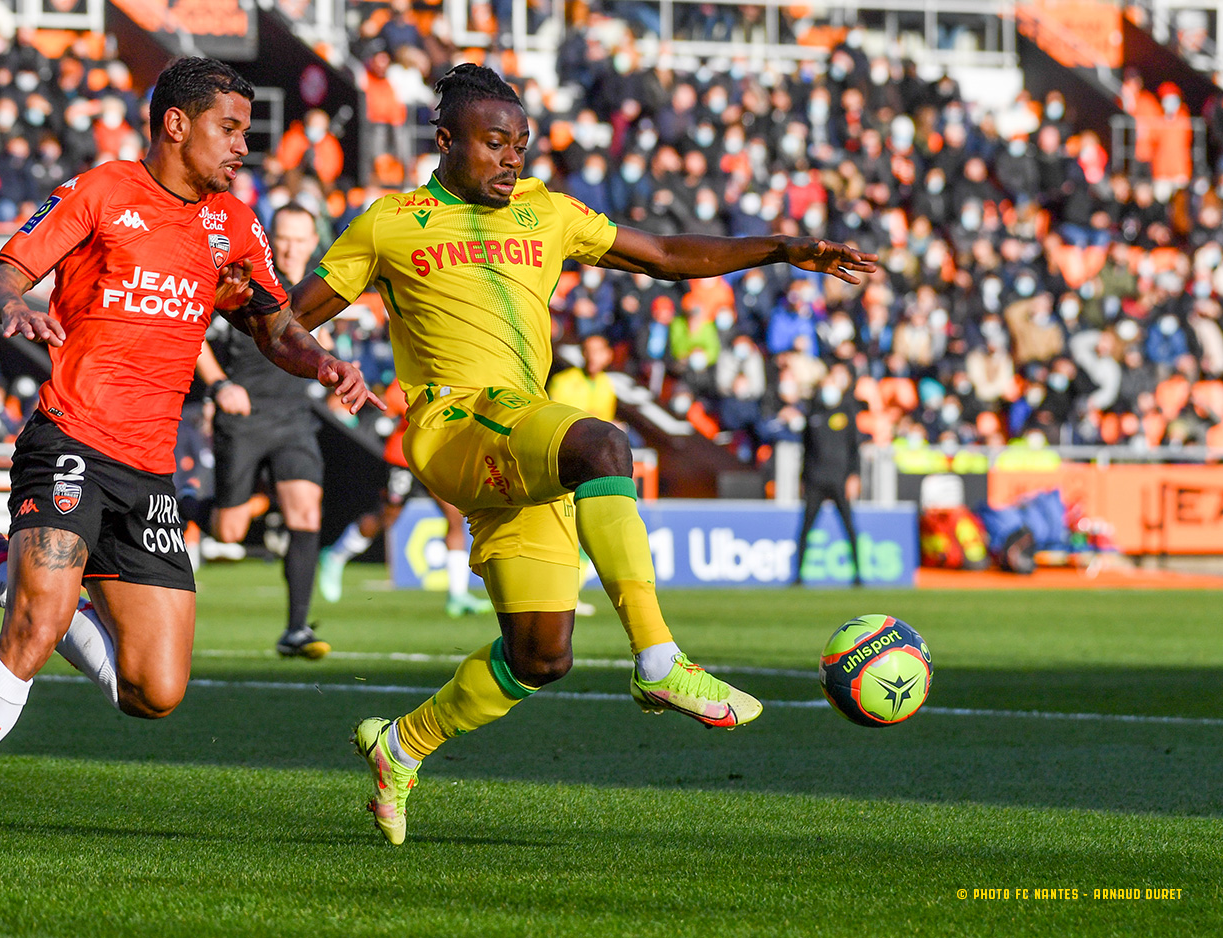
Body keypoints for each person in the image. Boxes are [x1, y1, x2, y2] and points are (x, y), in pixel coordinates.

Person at [283, 64, 877, 845]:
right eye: (494, 143)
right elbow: (292, 316)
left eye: (520, 145)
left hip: (519, 438)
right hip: (453, 424)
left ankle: (402, 745)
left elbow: (663, 252)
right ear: (446, 140)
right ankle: (660, 659)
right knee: (602, 442)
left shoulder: (547, 214)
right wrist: (315, 357)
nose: (511, 159)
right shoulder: (390, 222)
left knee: (540, 655)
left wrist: (778, 248)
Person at [0, 57, 379, 869]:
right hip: (69, 439)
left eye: (246, 133)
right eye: (229, 129)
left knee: (152, 692)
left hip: (149, 469)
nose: (241, 148)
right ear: (175, 124)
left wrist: (321, 362)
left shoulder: (234, 224)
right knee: (36, 632)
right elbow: (4, 273)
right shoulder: (102, 192)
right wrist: (13, 304)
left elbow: (277, 327)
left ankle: (0, 571)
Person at [194, 202, 331, 659]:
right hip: (244, 415)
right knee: (229, 533)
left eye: (300, 237)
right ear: (272, 238)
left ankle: (296, 631)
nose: (291, 245)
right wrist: (220, 386)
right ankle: (185, 508)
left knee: (306, 514)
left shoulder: (325, 288)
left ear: (314, 241)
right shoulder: (244, 280)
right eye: (284, 236)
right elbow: (192, 333)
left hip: (293, 418)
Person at [317, 379, 494, 617]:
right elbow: (395, 404)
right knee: (386, 517)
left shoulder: (455, 373)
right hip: (404, 456)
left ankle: (457, 595)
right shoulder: (411, 375)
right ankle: (336, 556)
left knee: (454, 516)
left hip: (436, 456)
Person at [792, 366, 863, 586]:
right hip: (815, 480)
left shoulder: (847, 412)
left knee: (850, 527)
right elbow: (805, 450)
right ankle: (798, 575)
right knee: (806, 528)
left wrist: (854, 476)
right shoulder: (813, 413)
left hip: (839, 479)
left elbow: (854, 449)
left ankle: (858, 574)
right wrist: (802, 479)